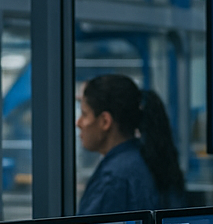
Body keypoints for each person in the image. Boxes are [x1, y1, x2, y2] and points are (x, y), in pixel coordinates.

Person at [76, 74, 186, 215]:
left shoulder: (113, 180)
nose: (78, 123)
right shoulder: (146, 159)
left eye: (84, 114)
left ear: (105, 121)